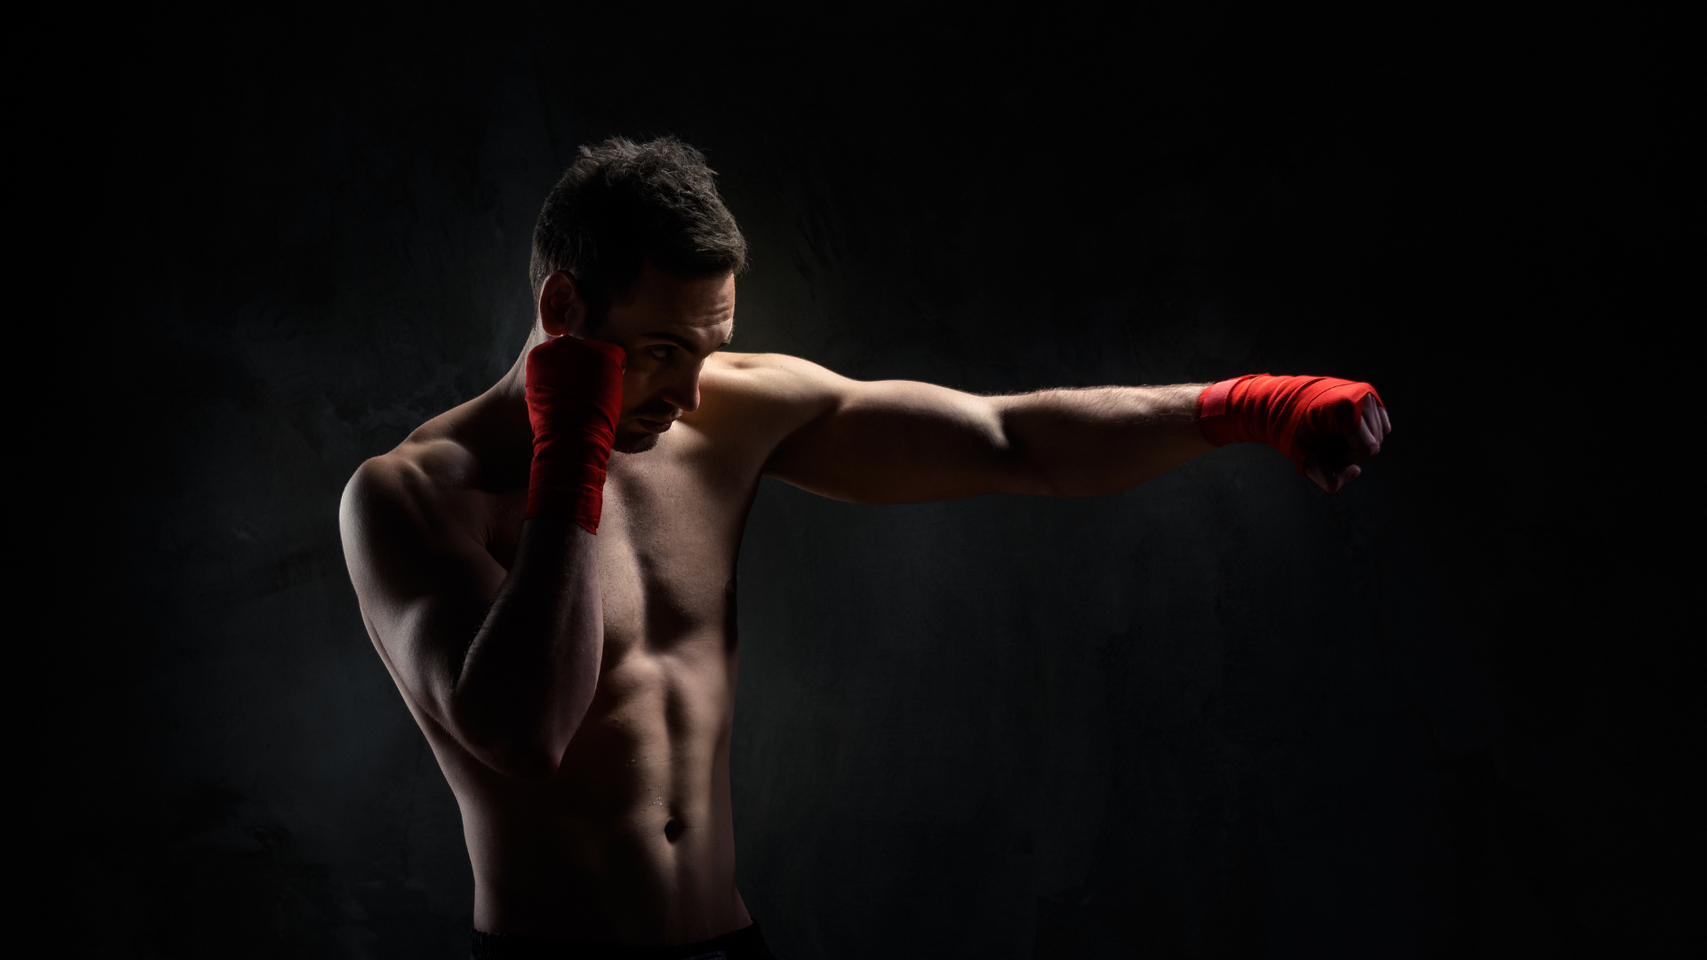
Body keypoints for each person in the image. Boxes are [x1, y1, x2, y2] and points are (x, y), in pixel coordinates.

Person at [338, 136, 1390, 959]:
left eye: (708, 349)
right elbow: (527, 735)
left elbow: (1011, 439)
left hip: (728, 940)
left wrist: (1247, 405)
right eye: (660, 351)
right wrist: (575, 454)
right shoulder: (411, 497)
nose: (691, 392)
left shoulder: (725, 417)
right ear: (562, 310)